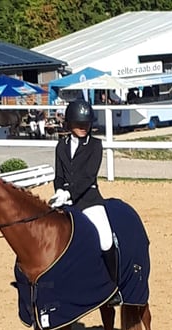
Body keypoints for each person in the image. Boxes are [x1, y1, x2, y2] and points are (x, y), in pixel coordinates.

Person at [49, 99, 122, 306]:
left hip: (89, 200)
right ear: (69, 123)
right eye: (79, 124)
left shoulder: (95, 146)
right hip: (65, 200)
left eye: (86, 124)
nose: (83, 128)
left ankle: (112, 287)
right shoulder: (61, 146)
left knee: (106, 239)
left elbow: (89, 177)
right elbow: (59, 175)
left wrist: (68, 193)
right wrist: (59, 191)